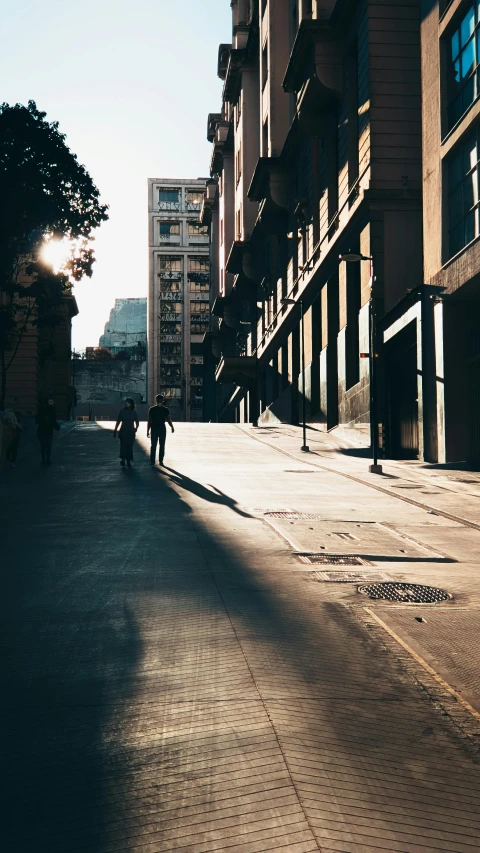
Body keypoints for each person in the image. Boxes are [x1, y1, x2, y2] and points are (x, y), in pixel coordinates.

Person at [147, 394, 174, 467]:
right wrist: (147, 430)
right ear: (156, 401)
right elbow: (149, 420)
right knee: (155, 445)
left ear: (163, 401)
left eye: (160, 400)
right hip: (156, 428)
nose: (160, 402)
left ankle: (159, 460)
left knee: (160, 445)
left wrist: (172, 426)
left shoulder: (164, 409)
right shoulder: (152, 409)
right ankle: (154, 460)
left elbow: (168, 419)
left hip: (160, 428)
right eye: (159, 400)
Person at [114, 398, 139, 468]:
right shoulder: (122, 412)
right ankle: (123, 460)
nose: (126, 403)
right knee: (123, 446)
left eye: (128, 402)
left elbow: (137, 422)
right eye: (126, 402)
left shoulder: (134, 413)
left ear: (131, 404)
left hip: (131, 432)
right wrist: (115, 431)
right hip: (123, 431)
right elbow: (118, 421)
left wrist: (136, 428)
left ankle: (128, 461)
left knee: (129, 446)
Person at [35, 398, 60, 465]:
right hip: (48, 430)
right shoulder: (52, 409)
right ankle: (48, 460)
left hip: (41, 430)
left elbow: (36, 420)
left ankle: (43, 460)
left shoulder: (41, 409)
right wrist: (57, 427)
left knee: (42, 445)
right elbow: (54, 420)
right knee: (48, 445)